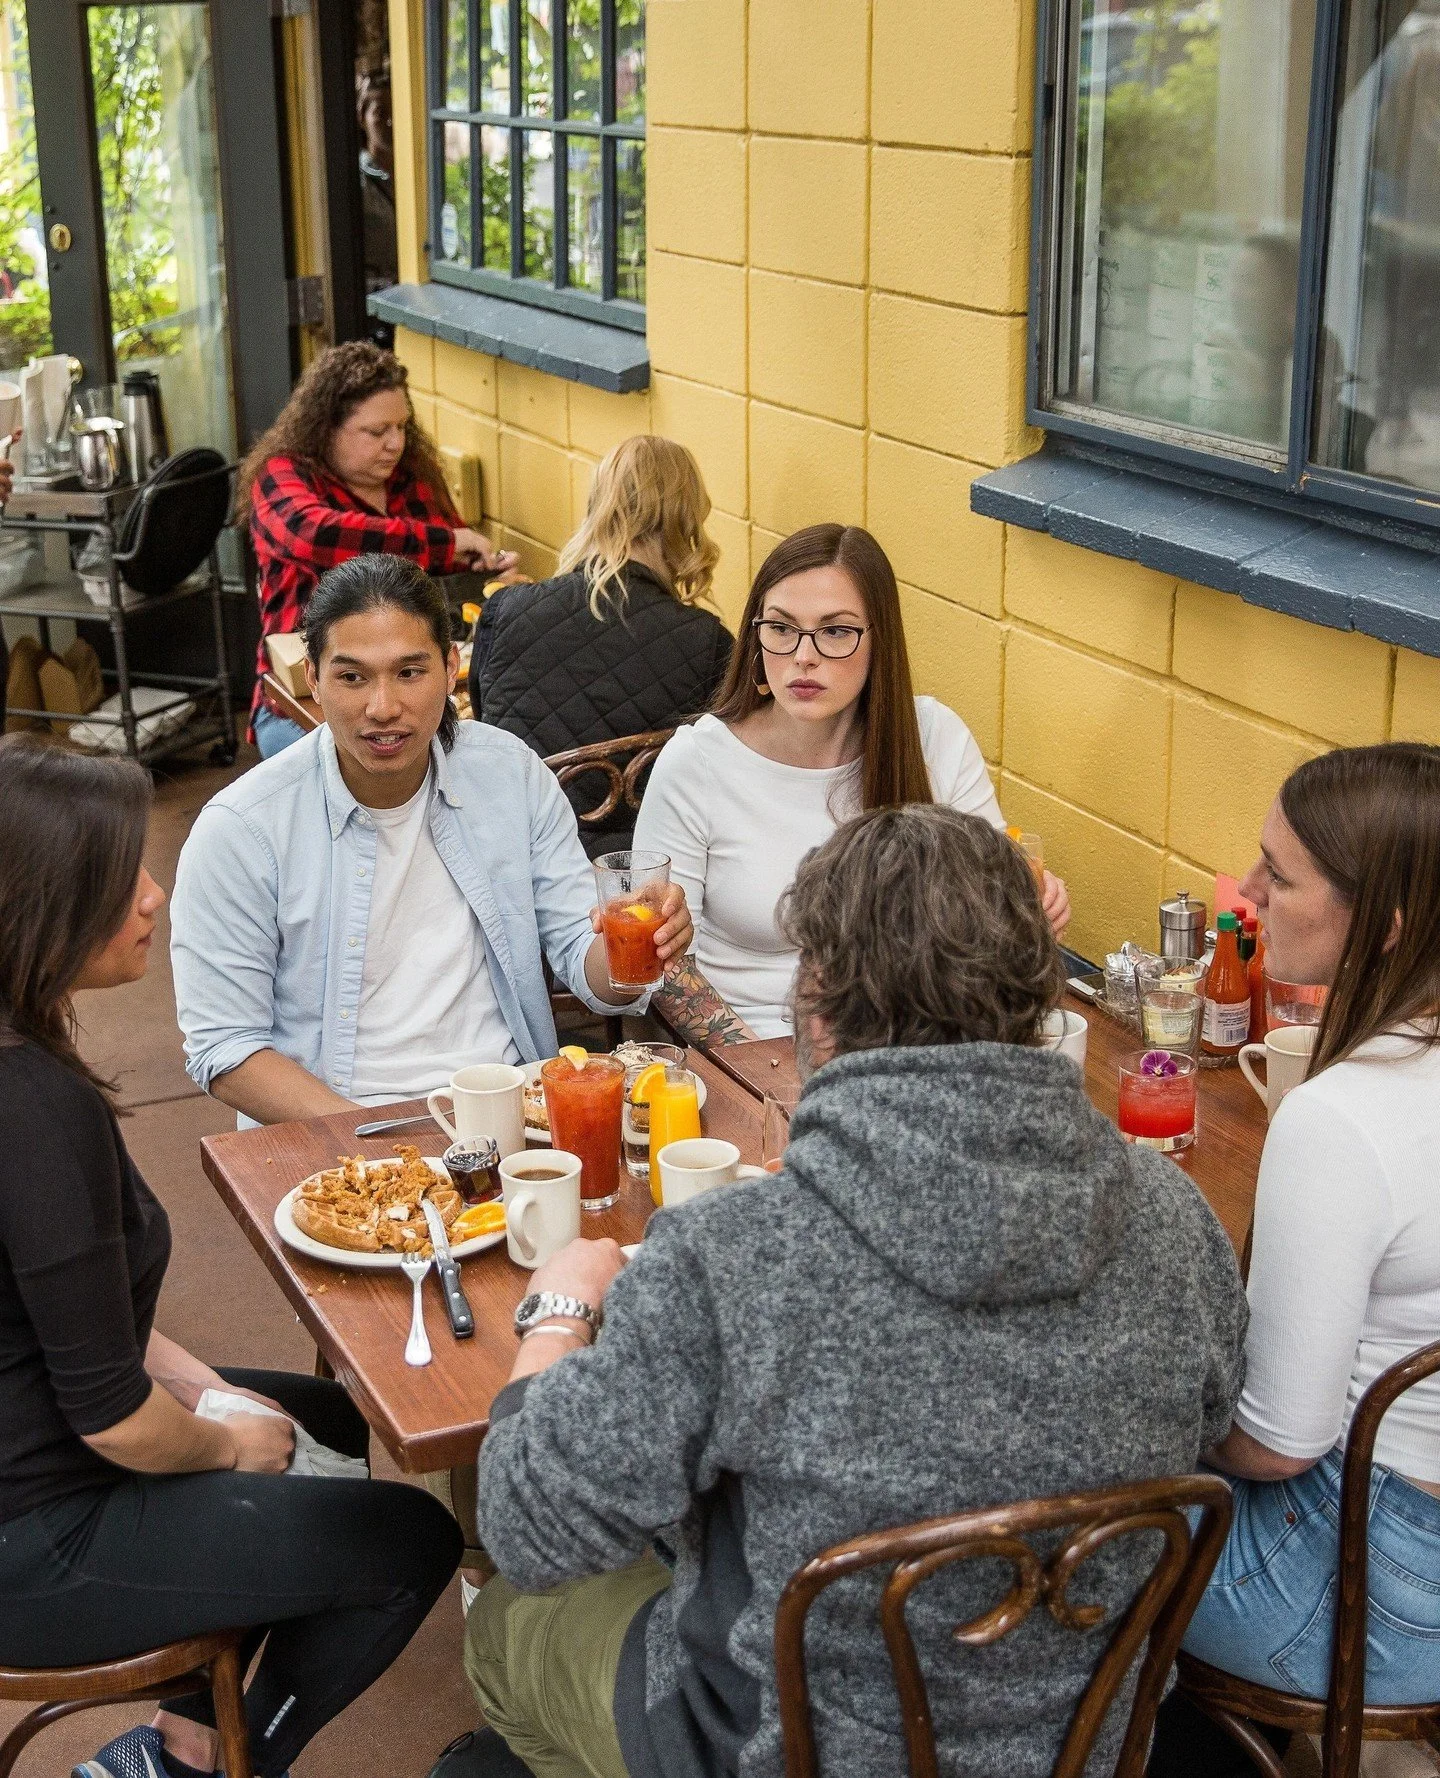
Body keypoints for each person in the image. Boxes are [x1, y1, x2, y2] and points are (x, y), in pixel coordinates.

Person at [462, 804, 1247, 1778]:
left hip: (788, 1750)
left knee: (506, 1618)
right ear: (1038, 986)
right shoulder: (1174, 1215)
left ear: (818, 1002)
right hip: (1087, 1737)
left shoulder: (729, 1255)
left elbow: (531, 1526)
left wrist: (559, 1311)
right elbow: (1210, 1417)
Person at [0, 735, 461, 1778]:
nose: (155, 892)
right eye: (125, 878)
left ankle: (183, 1735)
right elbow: (112, 1413)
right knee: (408, 1542)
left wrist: (210, 1391)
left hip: (34, 1446)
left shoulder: (22, 1057)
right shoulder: (34, 1107)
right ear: (48, 900)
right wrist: (224, 1445)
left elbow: (71, 1311)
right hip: (33, 1535)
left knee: (328, 1416)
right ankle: (222, 1763)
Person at [170, 555, 692, 1127]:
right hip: (335, 1129)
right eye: (352, 676)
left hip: (510, 1110)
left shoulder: (507, 774)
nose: (383, 707)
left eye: (410, 673)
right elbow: (225, 1047)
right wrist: (371, 1141)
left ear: (450, 669)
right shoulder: (242, 829)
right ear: (312, 678)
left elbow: (580, 955)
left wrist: (636, 952)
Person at [1158, 744, 1440, 1751]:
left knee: (1057, 1509)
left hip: (1382, 1598)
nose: (1247, 891)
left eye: (1279, 875)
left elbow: (1280, 1440)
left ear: (1388, 925)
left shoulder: (1345, 1116)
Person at [634, 523, 1071, 1044]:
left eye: (836, 631)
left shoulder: (934, 738)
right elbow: (663, 965)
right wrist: (761, 1074)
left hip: (911, 1049)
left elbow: (996, 910)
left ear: (878, 639)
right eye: (781, 627)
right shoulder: (697, 761)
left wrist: (1030, 913)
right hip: (750, 1050)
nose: (803, 655)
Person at [238, 340, 517, 758]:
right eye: (376, 431)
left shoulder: (413, 478)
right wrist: (446, 544)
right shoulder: (280, 475)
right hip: (299, 702)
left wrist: (485, 572)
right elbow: (314, 535)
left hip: (407, 692)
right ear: (326, 427)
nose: (395, 444)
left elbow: (443, 570)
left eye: (402, 427)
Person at [468, 436, 733, 858]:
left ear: (596, 506)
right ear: (687, 519)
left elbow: (483, 731)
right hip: (634, 880)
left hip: (510, 854)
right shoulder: (707, 643)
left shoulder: (506, 609)